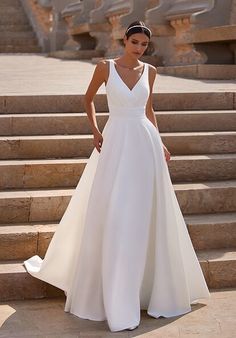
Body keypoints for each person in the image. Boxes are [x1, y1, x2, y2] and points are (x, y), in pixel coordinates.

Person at [24, 21, 210, 333]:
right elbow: (87, 100)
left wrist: (160, 140)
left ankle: (146, 288)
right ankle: (109, 291)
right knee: (114, 211)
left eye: (143, 45)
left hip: (144, 143)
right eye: (134, 42)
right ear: (123, 40)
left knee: (143, 212)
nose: (139, 48)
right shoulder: (104, 67)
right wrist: (95, 131)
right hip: (115, 140)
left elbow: (149, 110)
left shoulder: (150, 72)